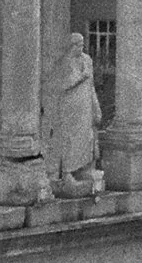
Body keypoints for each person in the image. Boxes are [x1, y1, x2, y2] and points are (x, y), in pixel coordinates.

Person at [45, 31, 101, 195]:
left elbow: (91, 86)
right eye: (76, 44)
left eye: (82, 44)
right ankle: (67, 173)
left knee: (86, 137)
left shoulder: (87, 60)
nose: (80, 47)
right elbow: (61, 86)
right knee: (70, 139)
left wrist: (96, 106)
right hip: (70, 106)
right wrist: (80, 77)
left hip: (85, 105)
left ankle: (82, 170)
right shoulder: (65, 62)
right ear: (70, 46)